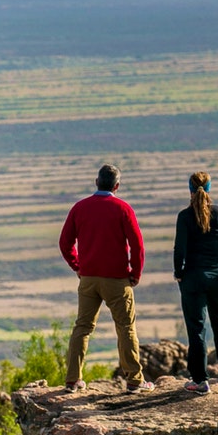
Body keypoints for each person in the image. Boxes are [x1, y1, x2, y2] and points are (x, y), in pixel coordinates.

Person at [58, 163, 153, 393]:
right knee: (125, 327)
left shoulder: (80, 208)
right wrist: (135, 274)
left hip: (88, 278)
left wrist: (77, 266)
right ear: (116, 186)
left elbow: (65, 242)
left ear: (96, 182)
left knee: (82, 327)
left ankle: (73, 380)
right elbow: (137, 245)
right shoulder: (123, 209)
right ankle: (134, 380)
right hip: (117, 280)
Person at [173, 171, 218, 394]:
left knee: (197, 328)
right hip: (216, 275)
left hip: (192, 277)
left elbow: (179, 250)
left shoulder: (184, 216)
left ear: (190, 189)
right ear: (210, 188)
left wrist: (179, 273)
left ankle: (200, 380)